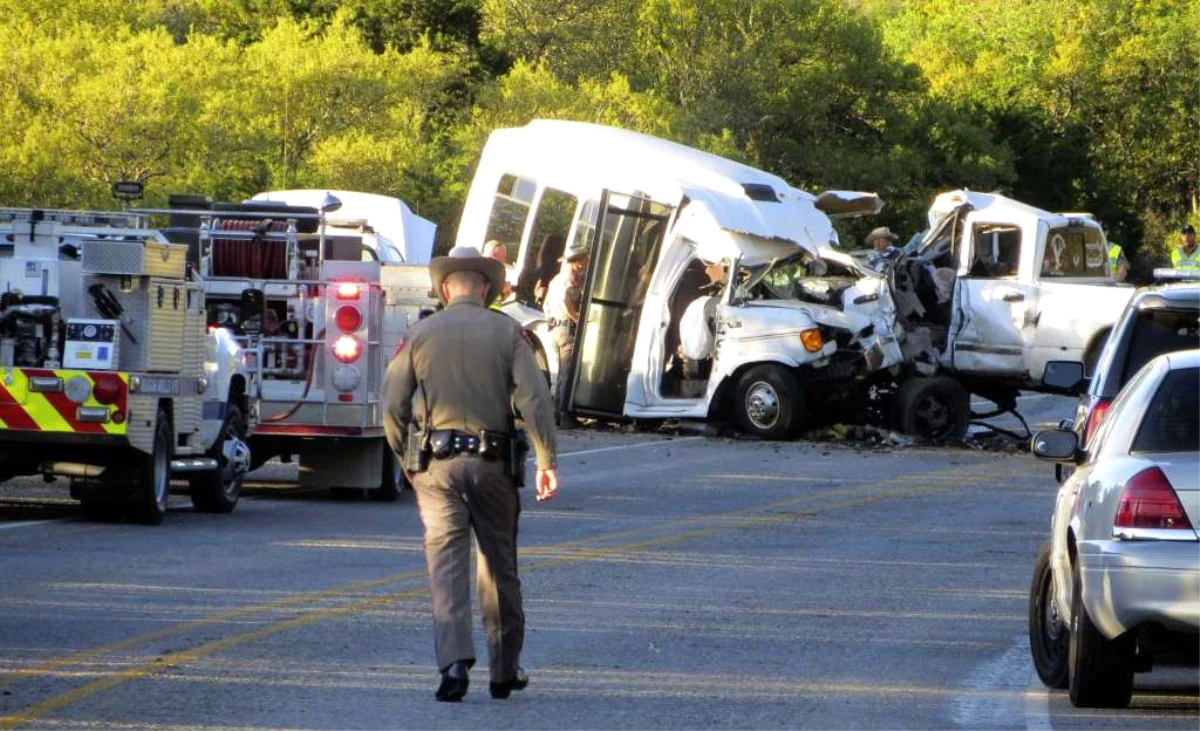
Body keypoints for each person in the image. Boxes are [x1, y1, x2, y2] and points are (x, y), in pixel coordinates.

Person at [383, 246, 559, 703]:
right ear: (485, 288)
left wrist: (407, 459)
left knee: (446, 566)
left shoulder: (420, 334)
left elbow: (392, 404)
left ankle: (454, 665)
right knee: (499, 567)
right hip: (493, 465)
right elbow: (535, 400)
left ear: (444, 289)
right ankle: (503, 671)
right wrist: (546, 460)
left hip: (436, 469)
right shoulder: (509, 333)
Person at [542, 241, 589, 416]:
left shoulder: (555, 279)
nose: (587, 262)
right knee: (567, 374)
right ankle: (563, 413)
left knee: (562, 373)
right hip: (565, 329)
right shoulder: (571, 279)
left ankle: (558, 412)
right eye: (585, 259)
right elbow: (564, 300)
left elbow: (546, 304)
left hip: (554, 328)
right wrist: (577, 317)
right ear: (577, 261)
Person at [481, 240, 514, 306]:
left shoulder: (501, 272)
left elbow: (496, 301)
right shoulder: (478, 272)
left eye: (504, 256)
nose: (501, 260)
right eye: (496, 255)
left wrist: (503, 295)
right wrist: (500, 288)